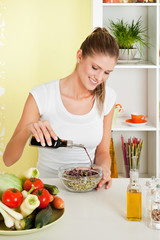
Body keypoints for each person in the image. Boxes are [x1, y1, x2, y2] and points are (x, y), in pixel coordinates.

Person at [3, 27, 119, 190]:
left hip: (88, 189)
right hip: (48, 193)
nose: (99, 78)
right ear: (79, 56)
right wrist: (28, 129)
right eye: (95, 68)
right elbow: (8, 159)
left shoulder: (107, 98)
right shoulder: (42, 95)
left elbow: (102, 152)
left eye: (107, 72)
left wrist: (103, 168)